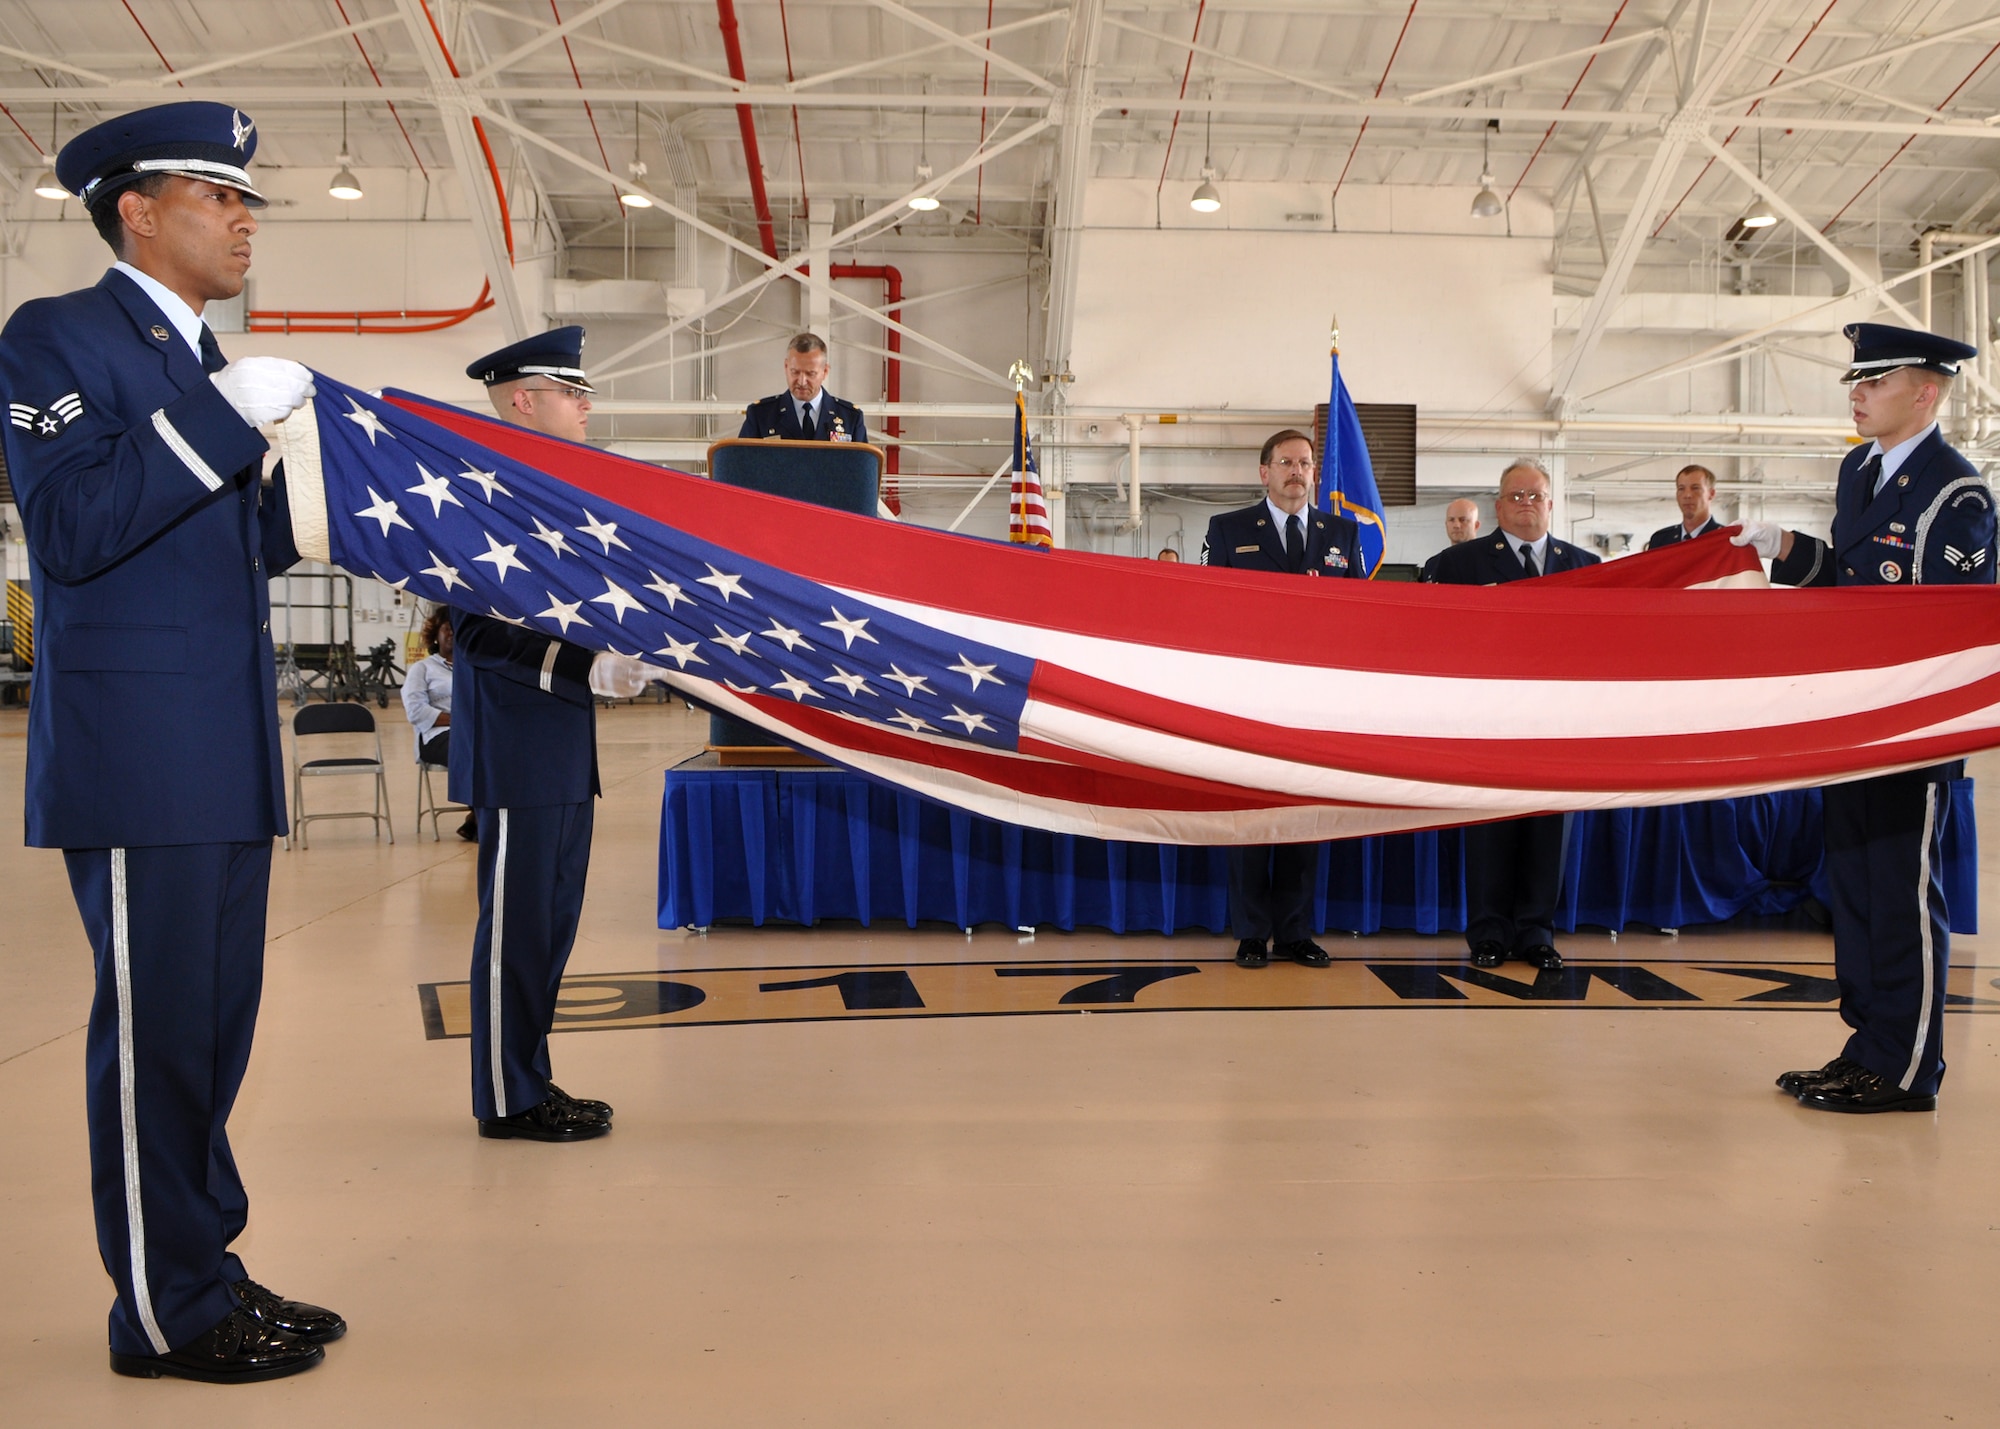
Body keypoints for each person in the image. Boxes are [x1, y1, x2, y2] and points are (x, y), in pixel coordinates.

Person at [0, 102, 340, 1384]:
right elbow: (77, 526)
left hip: (220, 749)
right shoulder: (58, 337)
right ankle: (162, 1311)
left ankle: (205, 1265)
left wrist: (295, 500)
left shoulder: (204, 365)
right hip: (140, 751)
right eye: (219, 195)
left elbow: (222, 555)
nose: (245, 217)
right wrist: (222, 425)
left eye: (246, 197)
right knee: (156, 1038)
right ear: (137, 210)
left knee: (209, 1034)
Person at [1734, 322, 1995, 1114]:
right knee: (1855, 890)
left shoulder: (1959, 494)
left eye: (1877, 381)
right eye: (1857, 379)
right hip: (1850, 725)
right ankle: (1869, 1047)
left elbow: (1949, 627)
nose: (1859, 391)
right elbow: (1850, 585)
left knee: (1904, 896)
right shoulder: (1859, 470)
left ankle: (1910, 1067)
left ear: (1926, 391)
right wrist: (1787, 551)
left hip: (1910, 735)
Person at [451, 327, 653, 1144]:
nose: (586, 404)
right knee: (516, 929)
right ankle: (506, 1097)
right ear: (524, 400)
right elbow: (475, 632)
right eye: (572, 392)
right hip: (518, 741)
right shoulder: (483, 494)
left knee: (547, 927)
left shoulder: (544, 492)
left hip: (560, 746)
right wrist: (584, 671)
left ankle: (526, 1076)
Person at [1426, 459, 1599, 973]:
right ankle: (1488, 932)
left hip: (1555, 727)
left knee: (1548, 833)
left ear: (1551, 503)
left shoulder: (1584, 566)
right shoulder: (1459, 566)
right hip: (1488, 724)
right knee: (1489, 832)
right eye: (1515, 497)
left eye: (1536, 496)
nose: (1526, 505)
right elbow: (1440, 644)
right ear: (1498, 507)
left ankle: (1536, 932)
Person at [1199, 429, 1362, 969]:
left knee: (1301, 817)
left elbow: (1360, 615)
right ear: (1263, 471)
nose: (1298, 471)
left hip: (1313, 702)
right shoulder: (1226, 530)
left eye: (1306, 463)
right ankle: (1250, 932)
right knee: (1250, 816)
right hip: (1248, 699)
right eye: (1286, 462)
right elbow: (1207, 610)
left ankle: (1295, 931)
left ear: (1315, 473)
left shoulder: (1341, 533)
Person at [401, 607, 474, 841]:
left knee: (502, 749)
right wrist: (460, 721)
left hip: (473, 733)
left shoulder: (474, 668)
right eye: (446, 628)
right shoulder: (422, 669)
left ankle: (480, 816)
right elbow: (416, 711)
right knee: (472, 749)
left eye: (456, 629)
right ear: (436, 635)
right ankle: (482, 815)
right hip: (436, 737)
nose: (452, 633)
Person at [739, 332, 868, 443]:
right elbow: (740, 466)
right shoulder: (761, 415)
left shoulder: (850, 418)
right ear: (785, 367)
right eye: (795, 372)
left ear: (825, 371)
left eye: (810, 374)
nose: (801, 381)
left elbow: (863, 469)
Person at [1645, 464, 1722, 548]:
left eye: (1695, 488)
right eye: (1681, 489)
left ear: (1711, 494)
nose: (1687, 495)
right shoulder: (1661, 540)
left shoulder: (1724, 539)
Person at [1419, 498, 1483, 580]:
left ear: (1476, 525)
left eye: (1462, 520)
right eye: (1451, 520)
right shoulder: (1433, 564)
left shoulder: (1488, 562)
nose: (1456, 525)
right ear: (1446, 524)